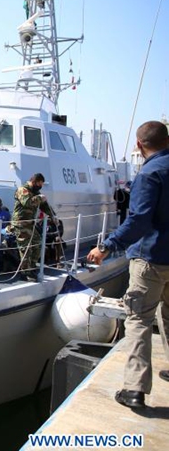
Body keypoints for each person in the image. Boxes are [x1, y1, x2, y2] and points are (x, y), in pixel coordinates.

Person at [87, 120, 169, 409]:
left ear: (139, 145)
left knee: (139, 319)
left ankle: (134, 390)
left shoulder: (150, 173)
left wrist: (106, 246)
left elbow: (139, 221)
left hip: (152, 258)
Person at [9, 173, 55, 282]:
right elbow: (27, 202)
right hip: (21, 224)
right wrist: (39, 198)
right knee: (25, 248)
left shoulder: (35, 192)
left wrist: (53, 215)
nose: (40, 187)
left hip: (30, 224)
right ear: (34, 181)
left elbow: (44, 205)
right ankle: (25, 273)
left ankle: (31, 268)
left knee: (37, 243)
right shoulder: (22, 190)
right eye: (39, 184)